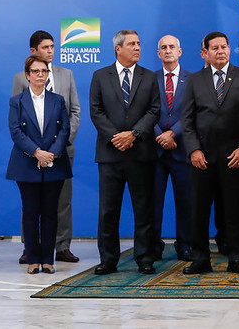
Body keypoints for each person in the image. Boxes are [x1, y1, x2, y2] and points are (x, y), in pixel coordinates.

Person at [181, 31, 239, 275]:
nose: (220, 51)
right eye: (215, 48)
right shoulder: (195, 80)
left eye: (224, 47)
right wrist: (194, 149)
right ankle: (200, 259)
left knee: (235, 211)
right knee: (199, 212)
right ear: (205, 53)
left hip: (234, 158)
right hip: (202, 159)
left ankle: (236, 258)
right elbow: (187, 120)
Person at [89, 29, 160, 275]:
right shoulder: (100, 76)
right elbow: (96, 111)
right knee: (108, 211)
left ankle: (145, 258)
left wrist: (134, 134)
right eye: (132, 44)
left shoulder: (149, 77)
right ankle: (108, 260)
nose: (137, 48)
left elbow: (154, 110)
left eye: (139, 43)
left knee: (144, 209)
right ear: (118, 48)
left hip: (141, 153)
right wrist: (116, 137)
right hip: (110, 155)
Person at [12, 30, 81, 264]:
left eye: (52, 47)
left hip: (61, 150)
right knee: (30, 204)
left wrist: (60, 144)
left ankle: (62, 246)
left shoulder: (67, 74)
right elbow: (18, 117)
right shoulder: (20, 78)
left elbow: (74, 111)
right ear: (33, 51)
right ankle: (29, 248)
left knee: (62, 201)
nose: (50, 51)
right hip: (31, 153)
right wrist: (35, 150)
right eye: (45, 47)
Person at [152, 35, 193, 262]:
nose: (168, 50)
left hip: (182, 150)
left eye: (172, 47)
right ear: (158, 53)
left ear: (180, 51)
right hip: (155, 151)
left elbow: (193, 112)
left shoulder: (192, 79)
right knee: (153, 203)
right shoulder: (149, 79)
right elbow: (145, 110)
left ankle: (185, 245)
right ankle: (153, 246)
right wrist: (160, 135)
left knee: (186, 202)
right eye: (163, 47)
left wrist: (172, 133)